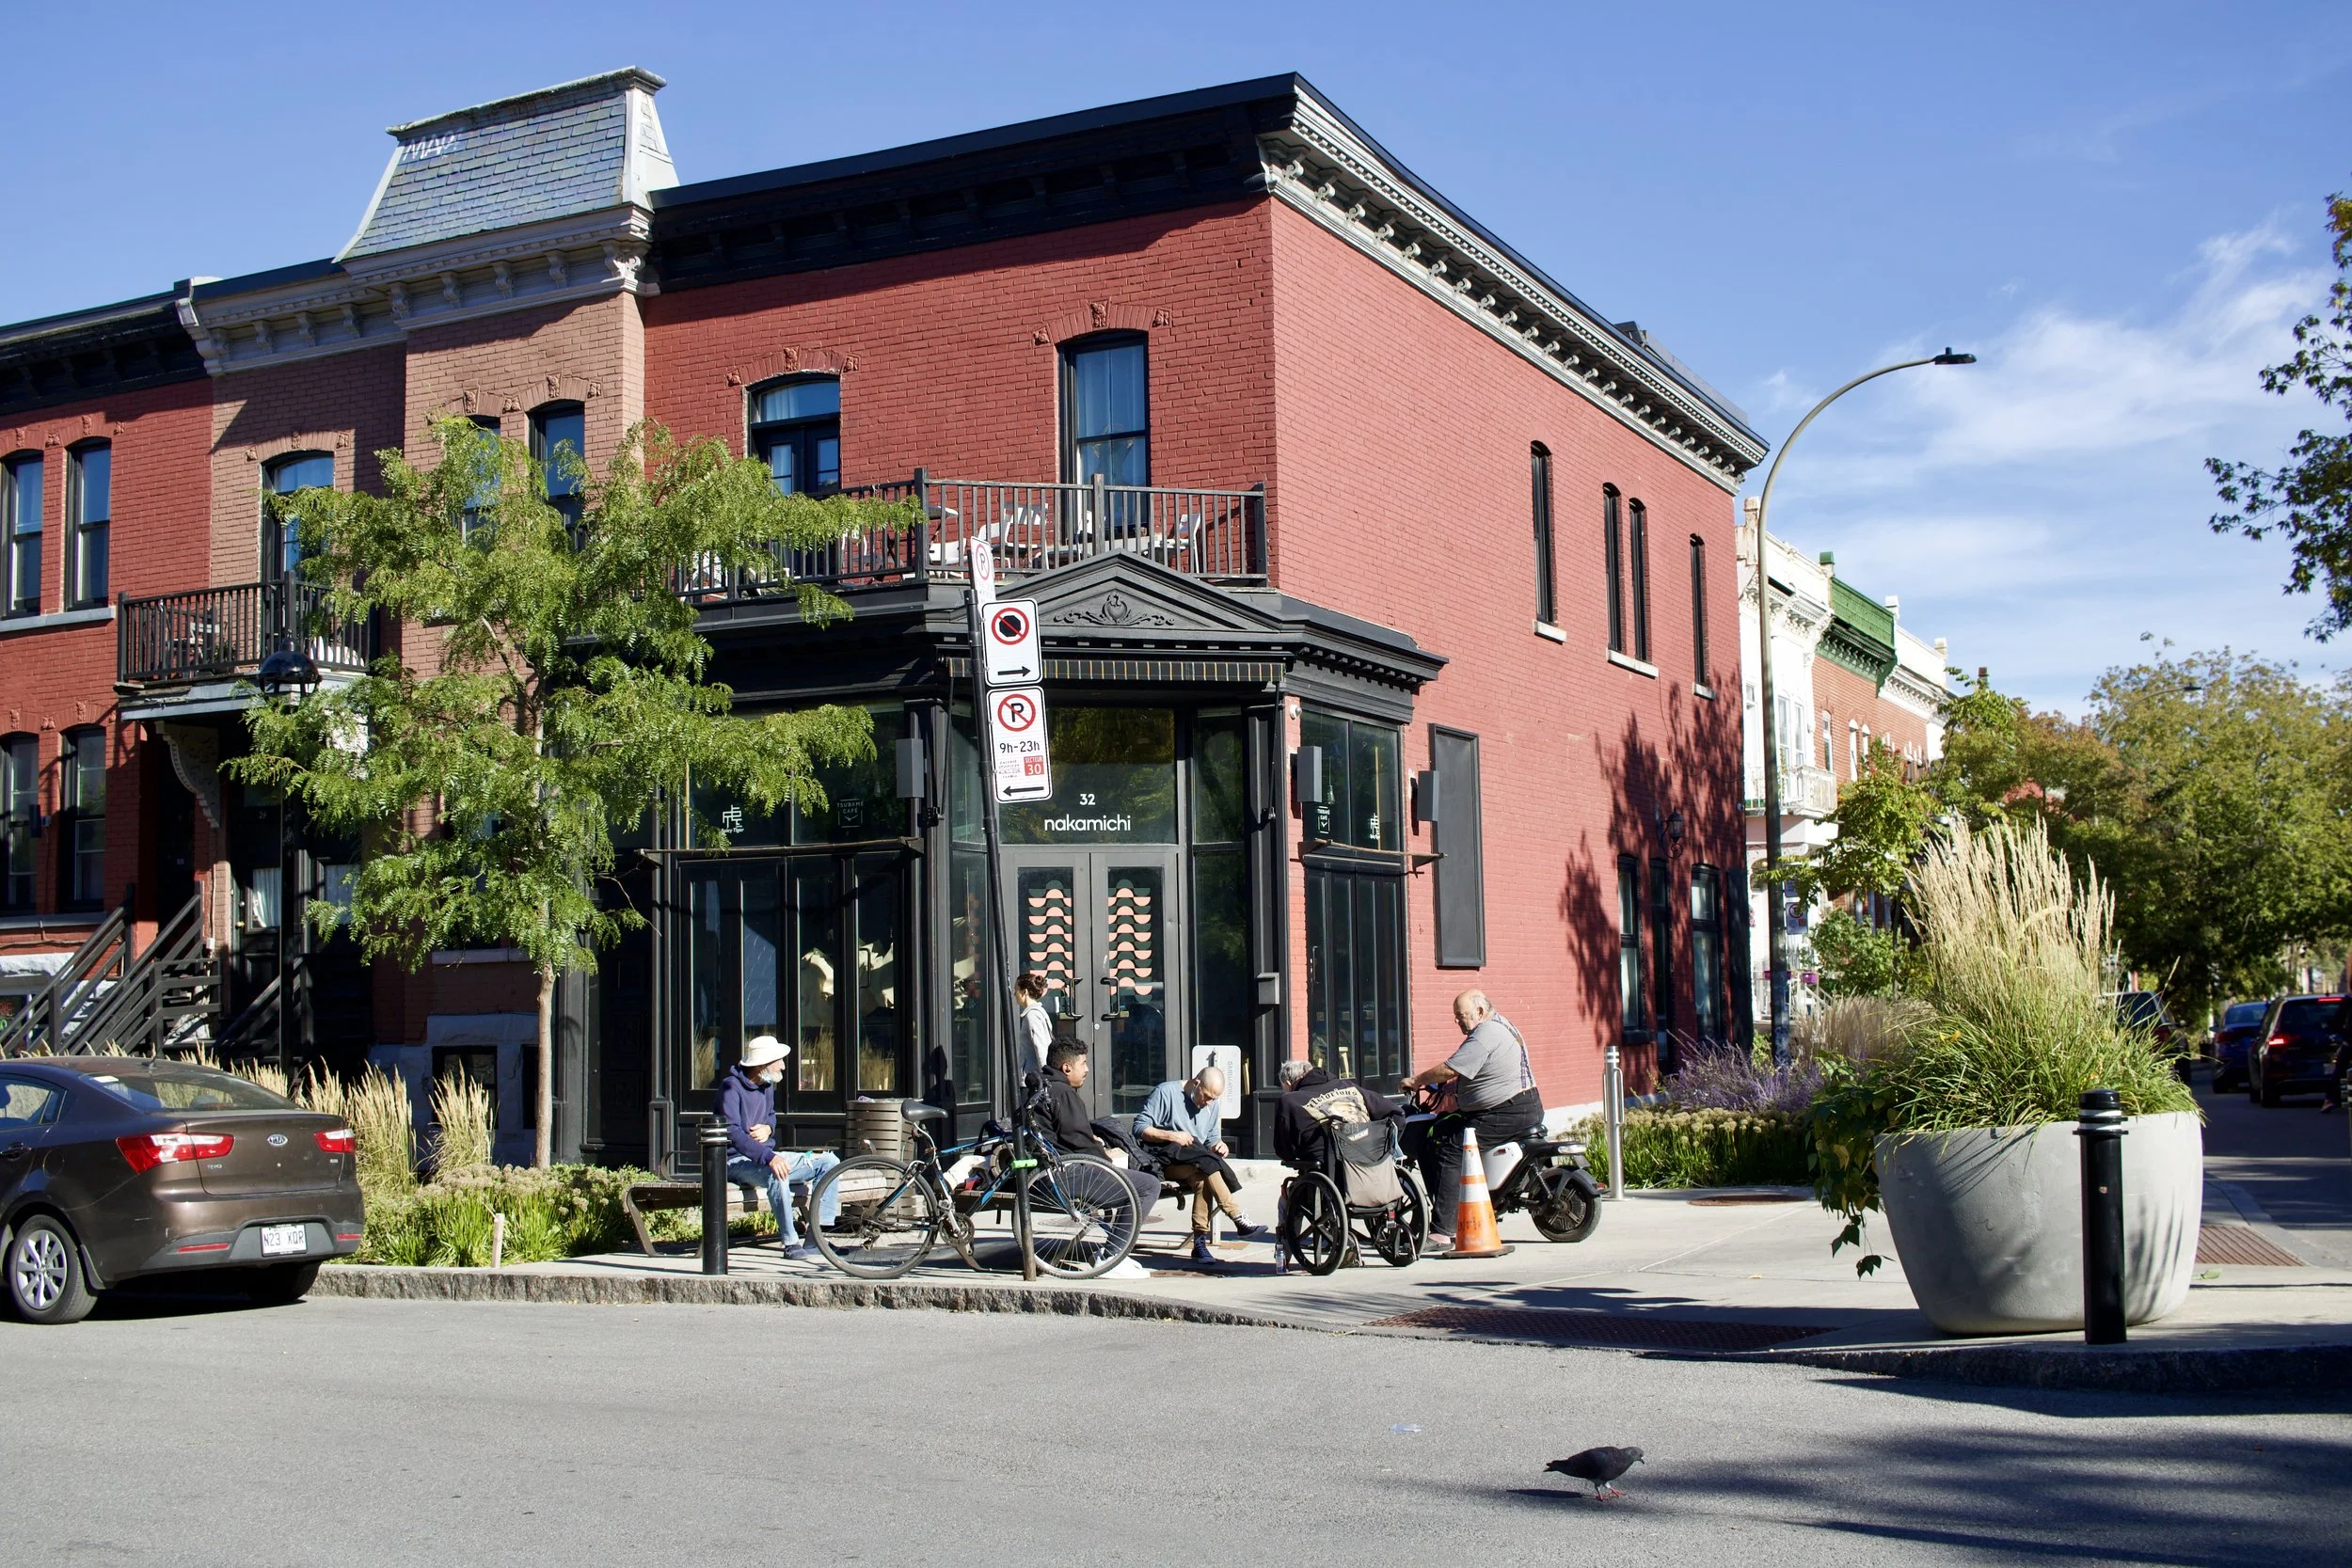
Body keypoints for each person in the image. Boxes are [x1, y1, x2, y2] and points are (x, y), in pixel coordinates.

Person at [1401, 990, 1543, 1245]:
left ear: (1479, 1012)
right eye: (1455, 1016)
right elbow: (1484, 1070)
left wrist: (1416, 1080)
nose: (1457, 1021)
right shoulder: (1503, 1024)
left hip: (1504, 1112)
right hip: (1522, 1106)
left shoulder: (1485, 1033)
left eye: (1461, 1015)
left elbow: (1450, 1068)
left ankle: (1443, 1230)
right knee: (1447, 1129)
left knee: (1451, 1149)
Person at [715, 1035, 842, 1261]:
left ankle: (816, 1236)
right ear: (762, 1064)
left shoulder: (767, 1086)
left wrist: (768, 1129)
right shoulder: (730, 1087)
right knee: (777, 1172)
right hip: (735, 1161)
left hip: (767, 1156)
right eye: (779, 1061)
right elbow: (731, 1131)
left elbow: (771, 1117)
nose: (783, 1066)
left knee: (830, 1162)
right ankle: (790, 1241)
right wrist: (767, 1157)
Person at [1134, 1066, 1263, 1262]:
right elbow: (1139, 1127)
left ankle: (1200, 1242)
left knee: (1204, 1176)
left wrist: (1219, 1146)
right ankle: (1237, 1217)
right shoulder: (1166, 1092)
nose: (1208, 1103)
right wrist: (1171, 1135)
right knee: (1207, 1165)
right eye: (1207, 1097)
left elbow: (1211, 1139)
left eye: (1214, 1099)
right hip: (1165, 1159)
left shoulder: (1211, 1105)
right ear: (1196, 1083)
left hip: (1196, 1161)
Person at [1031, 1039, 1163, 1231]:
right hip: (1066, 1175)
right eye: (1083, 1063)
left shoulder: (1041, 1088)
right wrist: (1107, 1161)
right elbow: (1079, 1141)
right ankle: (1113, 1252)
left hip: (1045, 1173)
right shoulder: (1064, 1093)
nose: (1087, 1069)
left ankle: (1113, 1251)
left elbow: (1066, 1135)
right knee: (1149, 1185)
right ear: (1067, 1068)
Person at [1274, 1056, 1405, 1167]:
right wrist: (1386, 1148)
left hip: (1329, 1166)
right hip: (1372, 1157)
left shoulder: (1290, 1100)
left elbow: (1284, 1150)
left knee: (1288, 1193)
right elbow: (1398, 1114)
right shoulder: (1348, 1086)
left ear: (1288, 1083)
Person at [1013, 972, 1054, 1084]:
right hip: (1035, 1077)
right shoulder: (1039, 1013)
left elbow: (1041, 1046)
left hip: (1032, 1079)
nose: (1014, 994)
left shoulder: (1033, 1016)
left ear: (1024, 991)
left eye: (1016, 990)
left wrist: (1047, 1076)